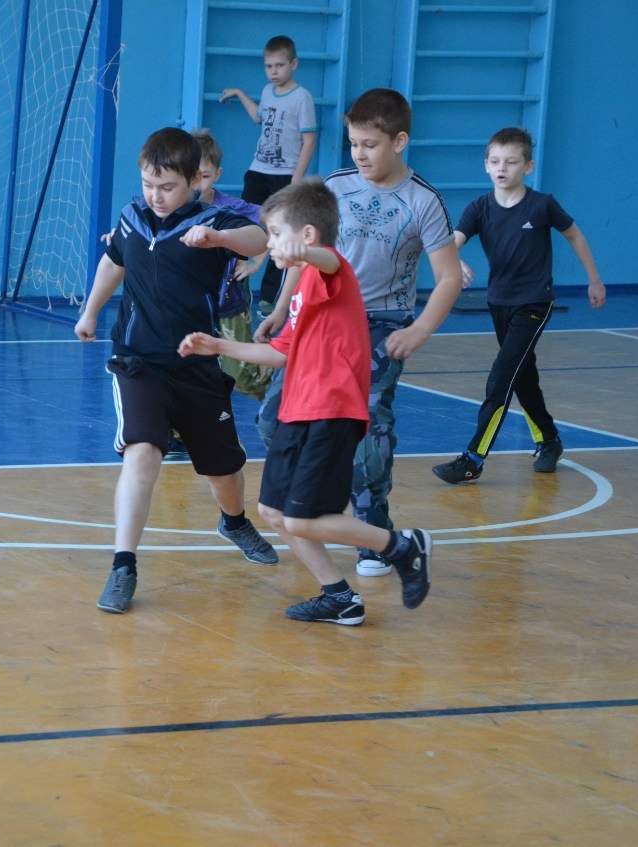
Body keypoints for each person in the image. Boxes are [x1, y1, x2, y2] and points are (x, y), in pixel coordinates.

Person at [179, 179, 432, 624]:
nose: (271, 243)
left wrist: (303, 252)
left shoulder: (331, 270)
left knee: (300, 520)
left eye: (276, 234)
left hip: (331, 411)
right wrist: (218, 346)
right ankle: (339, 596)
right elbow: (281, 353)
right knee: (273, 512)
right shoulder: (302, 290)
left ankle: (401, 546)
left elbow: (328, 258)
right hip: (296, 411)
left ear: (307, 236)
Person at [257, 88, 463, 578]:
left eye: (370, 144)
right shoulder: (336, 186)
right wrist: (283, 310)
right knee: (272, 418)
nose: (360, 154)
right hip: (321, 319)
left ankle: (376, 530)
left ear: (399, 141)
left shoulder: (423, 201)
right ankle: (313, 499)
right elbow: (302, 253)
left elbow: (450, 277)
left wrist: (420, 330)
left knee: (369, 430)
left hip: (380, 323)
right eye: (353, 143)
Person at [75, 127, 277, 615]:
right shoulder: (131, 217)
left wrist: (219, 239)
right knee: (142, 453)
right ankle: (123, 566)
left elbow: (261, 239)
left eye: (167, 187)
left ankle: (233, 522)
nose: (156, 195)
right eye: (149, 184)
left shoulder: (213, 220)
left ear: (194, 181)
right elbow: (114, 262)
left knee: (224, 471)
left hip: (197, 365)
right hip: (138, 360)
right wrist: (90, 311)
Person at [431, 127, 607, 484]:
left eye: (511, 162)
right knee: (522, 376)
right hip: (499, 303)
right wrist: (456, 262)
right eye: (495, 161)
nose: (502, 168)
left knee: (501, 377)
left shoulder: (542, 205)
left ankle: (473, 458)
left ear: (528, 166)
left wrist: (594, 279)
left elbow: (574, 235)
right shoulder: (479, 208)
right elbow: (450, 243)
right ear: (486, 165)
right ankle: (549, 440)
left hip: (534, 302)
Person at [220, 35, 317, 316]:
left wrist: (296, 178)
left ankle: (270, 296)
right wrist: (239, 93)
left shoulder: (302, 97)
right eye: (269, 66)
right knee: (244, 223)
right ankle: (233, 282)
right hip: (258, 170)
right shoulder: (266, 91)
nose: (274, 71)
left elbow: (309, 140)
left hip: (285, 175)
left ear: (294, 64)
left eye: (279, 65)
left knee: (281, 230)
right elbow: (258, 117)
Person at [192, 128, 275, 402]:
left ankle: (279, 378)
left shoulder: (232, 207)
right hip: (192, 303)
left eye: (204, 176)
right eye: (191, 175)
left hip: (230, 301)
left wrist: (256, 262)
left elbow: (275, 222)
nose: (197, 183)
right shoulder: (173, 207)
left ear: (217, 174)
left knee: (240, 375)